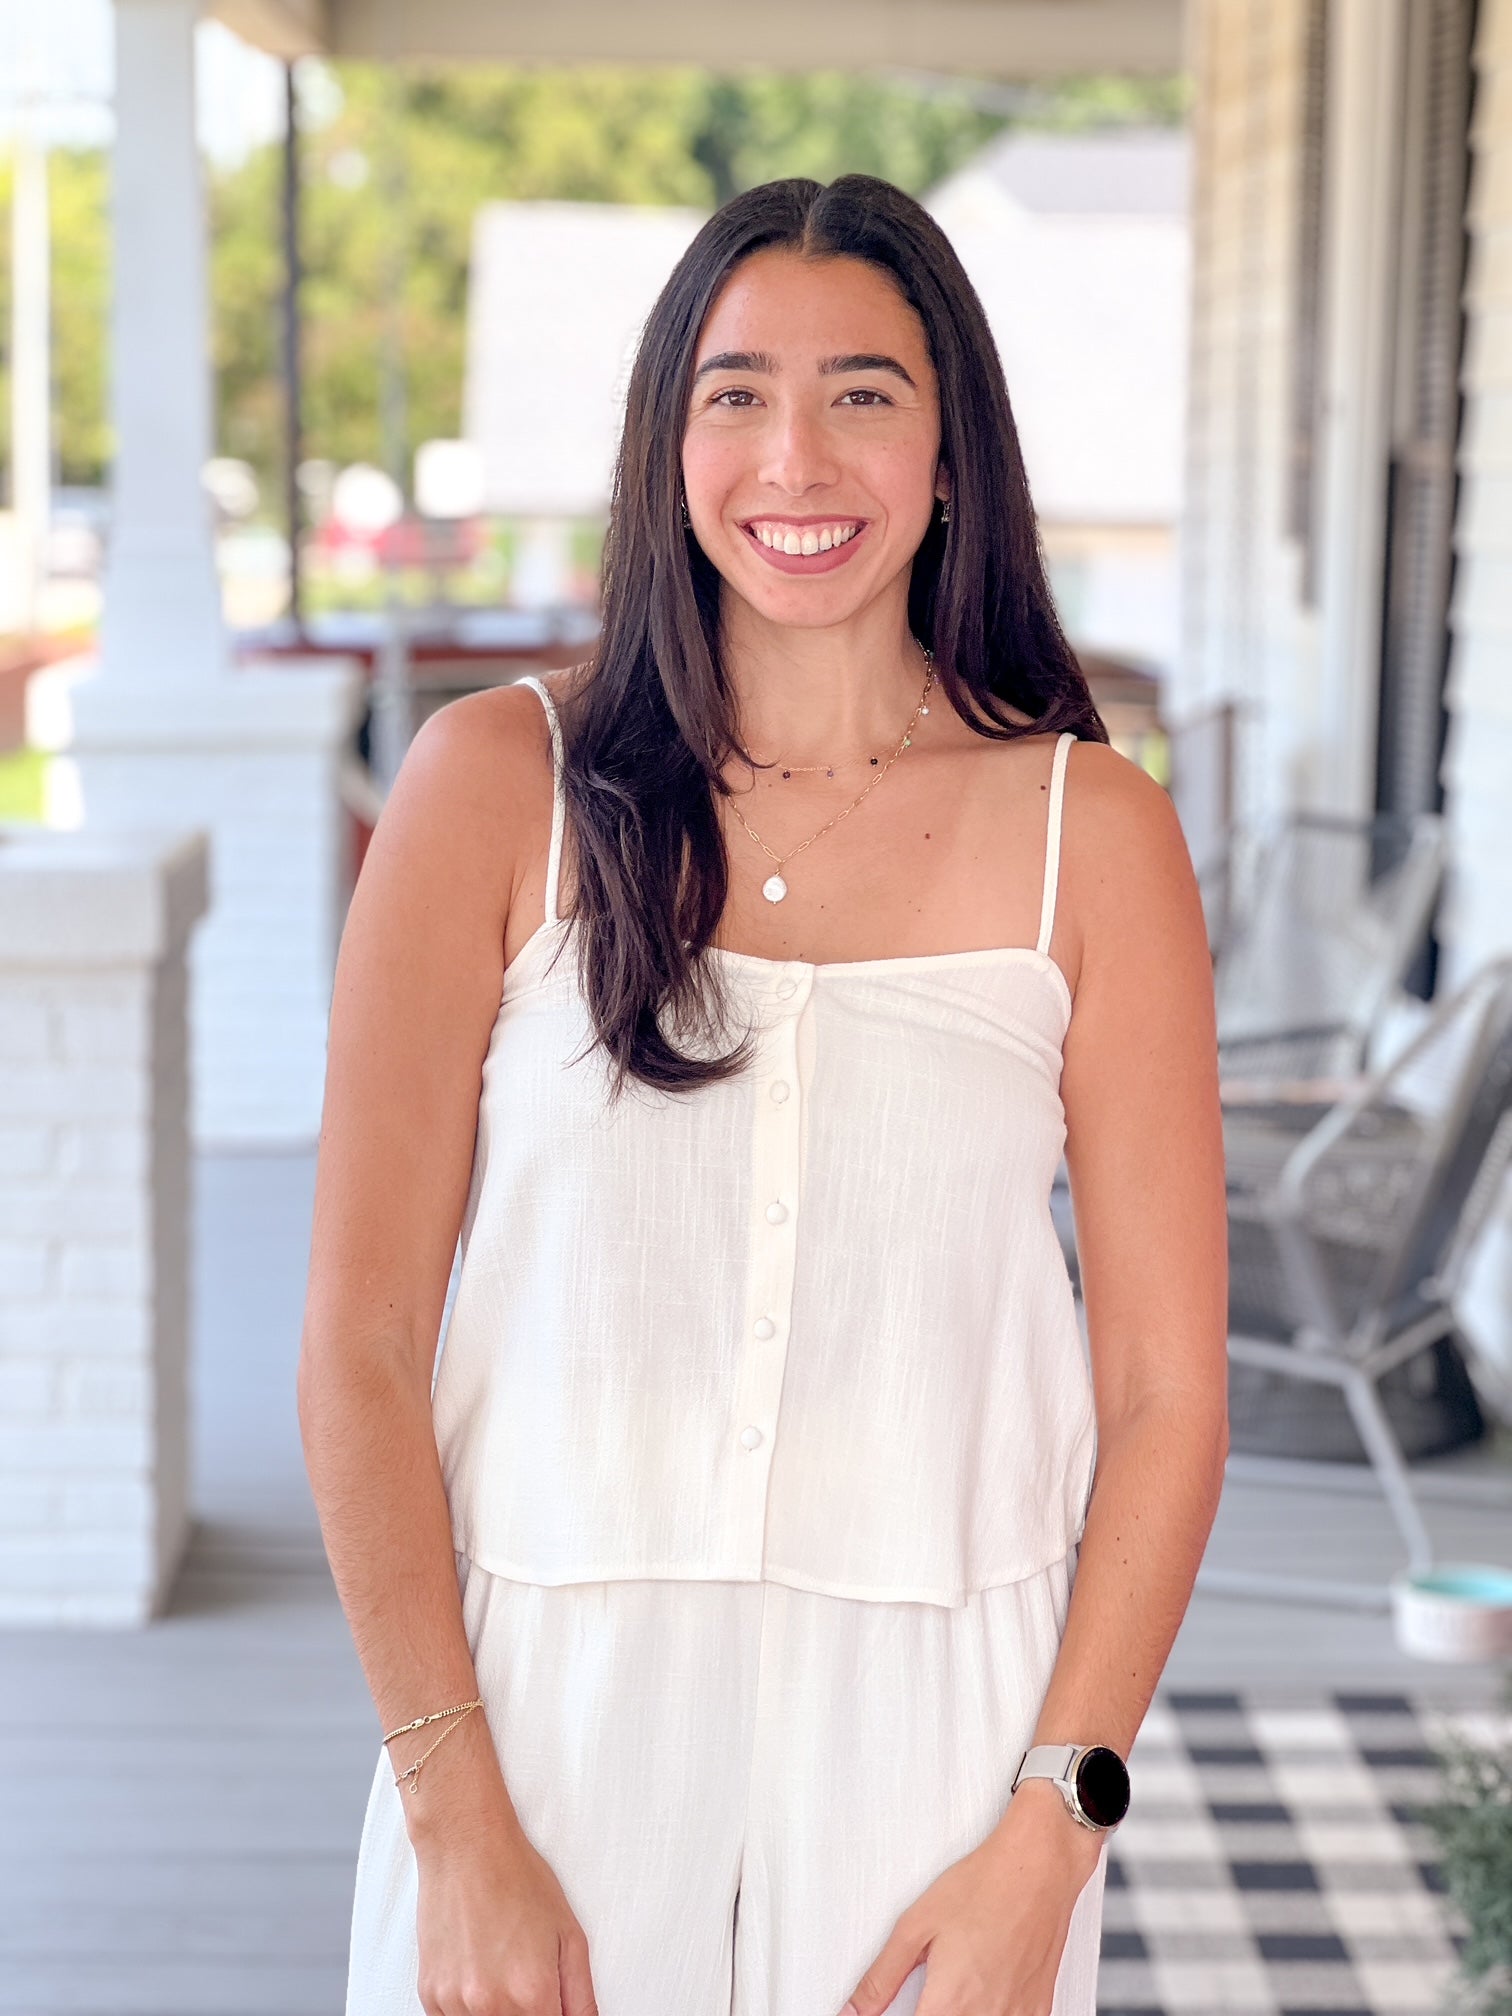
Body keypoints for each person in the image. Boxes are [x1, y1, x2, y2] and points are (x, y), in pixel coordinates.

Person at [299, 173, 1229, 2016]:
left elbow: (1165, 1397)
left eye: (865, 392)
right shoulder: (494, 786)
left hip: (950, 1763)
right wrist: (454, 1820)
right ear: (667, 441)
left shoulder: (1092, 837)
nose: (794, 456)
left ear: (954, 445)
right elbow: (360, 1343)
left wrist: (1052, 1837)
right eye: (736, 392)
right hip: (537, 1737)